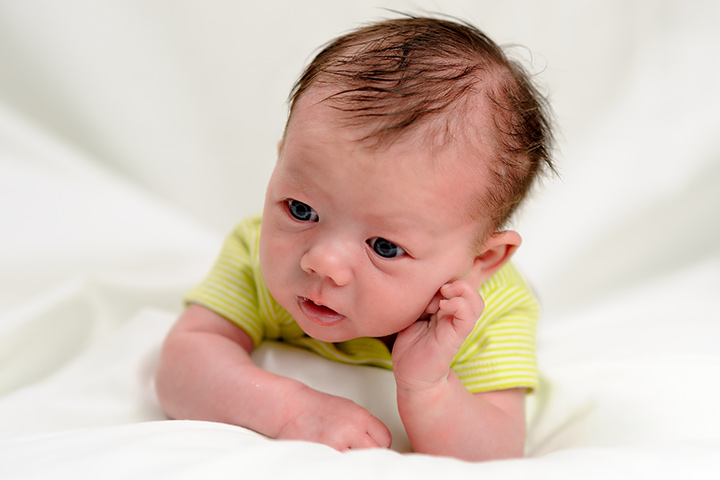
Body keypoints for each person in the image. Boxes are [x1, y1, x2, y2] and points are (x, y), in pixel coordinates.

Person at [155, 15, 554, 461]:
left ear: (482, 261)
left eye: (384, 247)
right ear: (281, 161)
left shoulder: (483, 314)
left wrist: (429, 386)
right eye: (301, 210)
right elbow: (181, 365)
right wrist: (291, 410)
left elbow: (498, 453)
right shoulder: (256, 253)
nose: (321, 261)